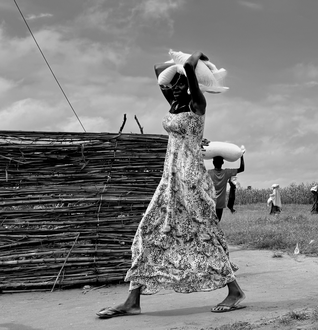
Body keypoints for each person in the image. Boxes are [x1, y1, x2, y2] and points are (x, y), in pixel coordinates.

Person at [97, 50, 246, 319]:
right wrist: (174, 66)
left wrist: (197, 56)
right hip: (170, 179)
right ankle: (133, 301)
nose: (174, 88)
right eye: (172, 84)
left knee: (203, 235)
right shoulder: (174, 103)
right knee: (148, 231)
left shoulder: (196, 104)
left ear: (191, 84)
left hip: (190, 179)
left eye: (181, 83)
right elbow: (158, 70)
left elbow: (189, 67)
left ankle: (234, 291)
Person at [208, 155, 245, 221]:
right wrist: (241, 156)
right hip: (220, 203)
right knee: (217, 222)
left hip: (210, 202)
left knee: (210, 223)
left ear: (213, 163)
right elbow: (241, 168)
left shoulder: (209, 173)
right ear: (223, 163)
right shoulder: (226, 173)